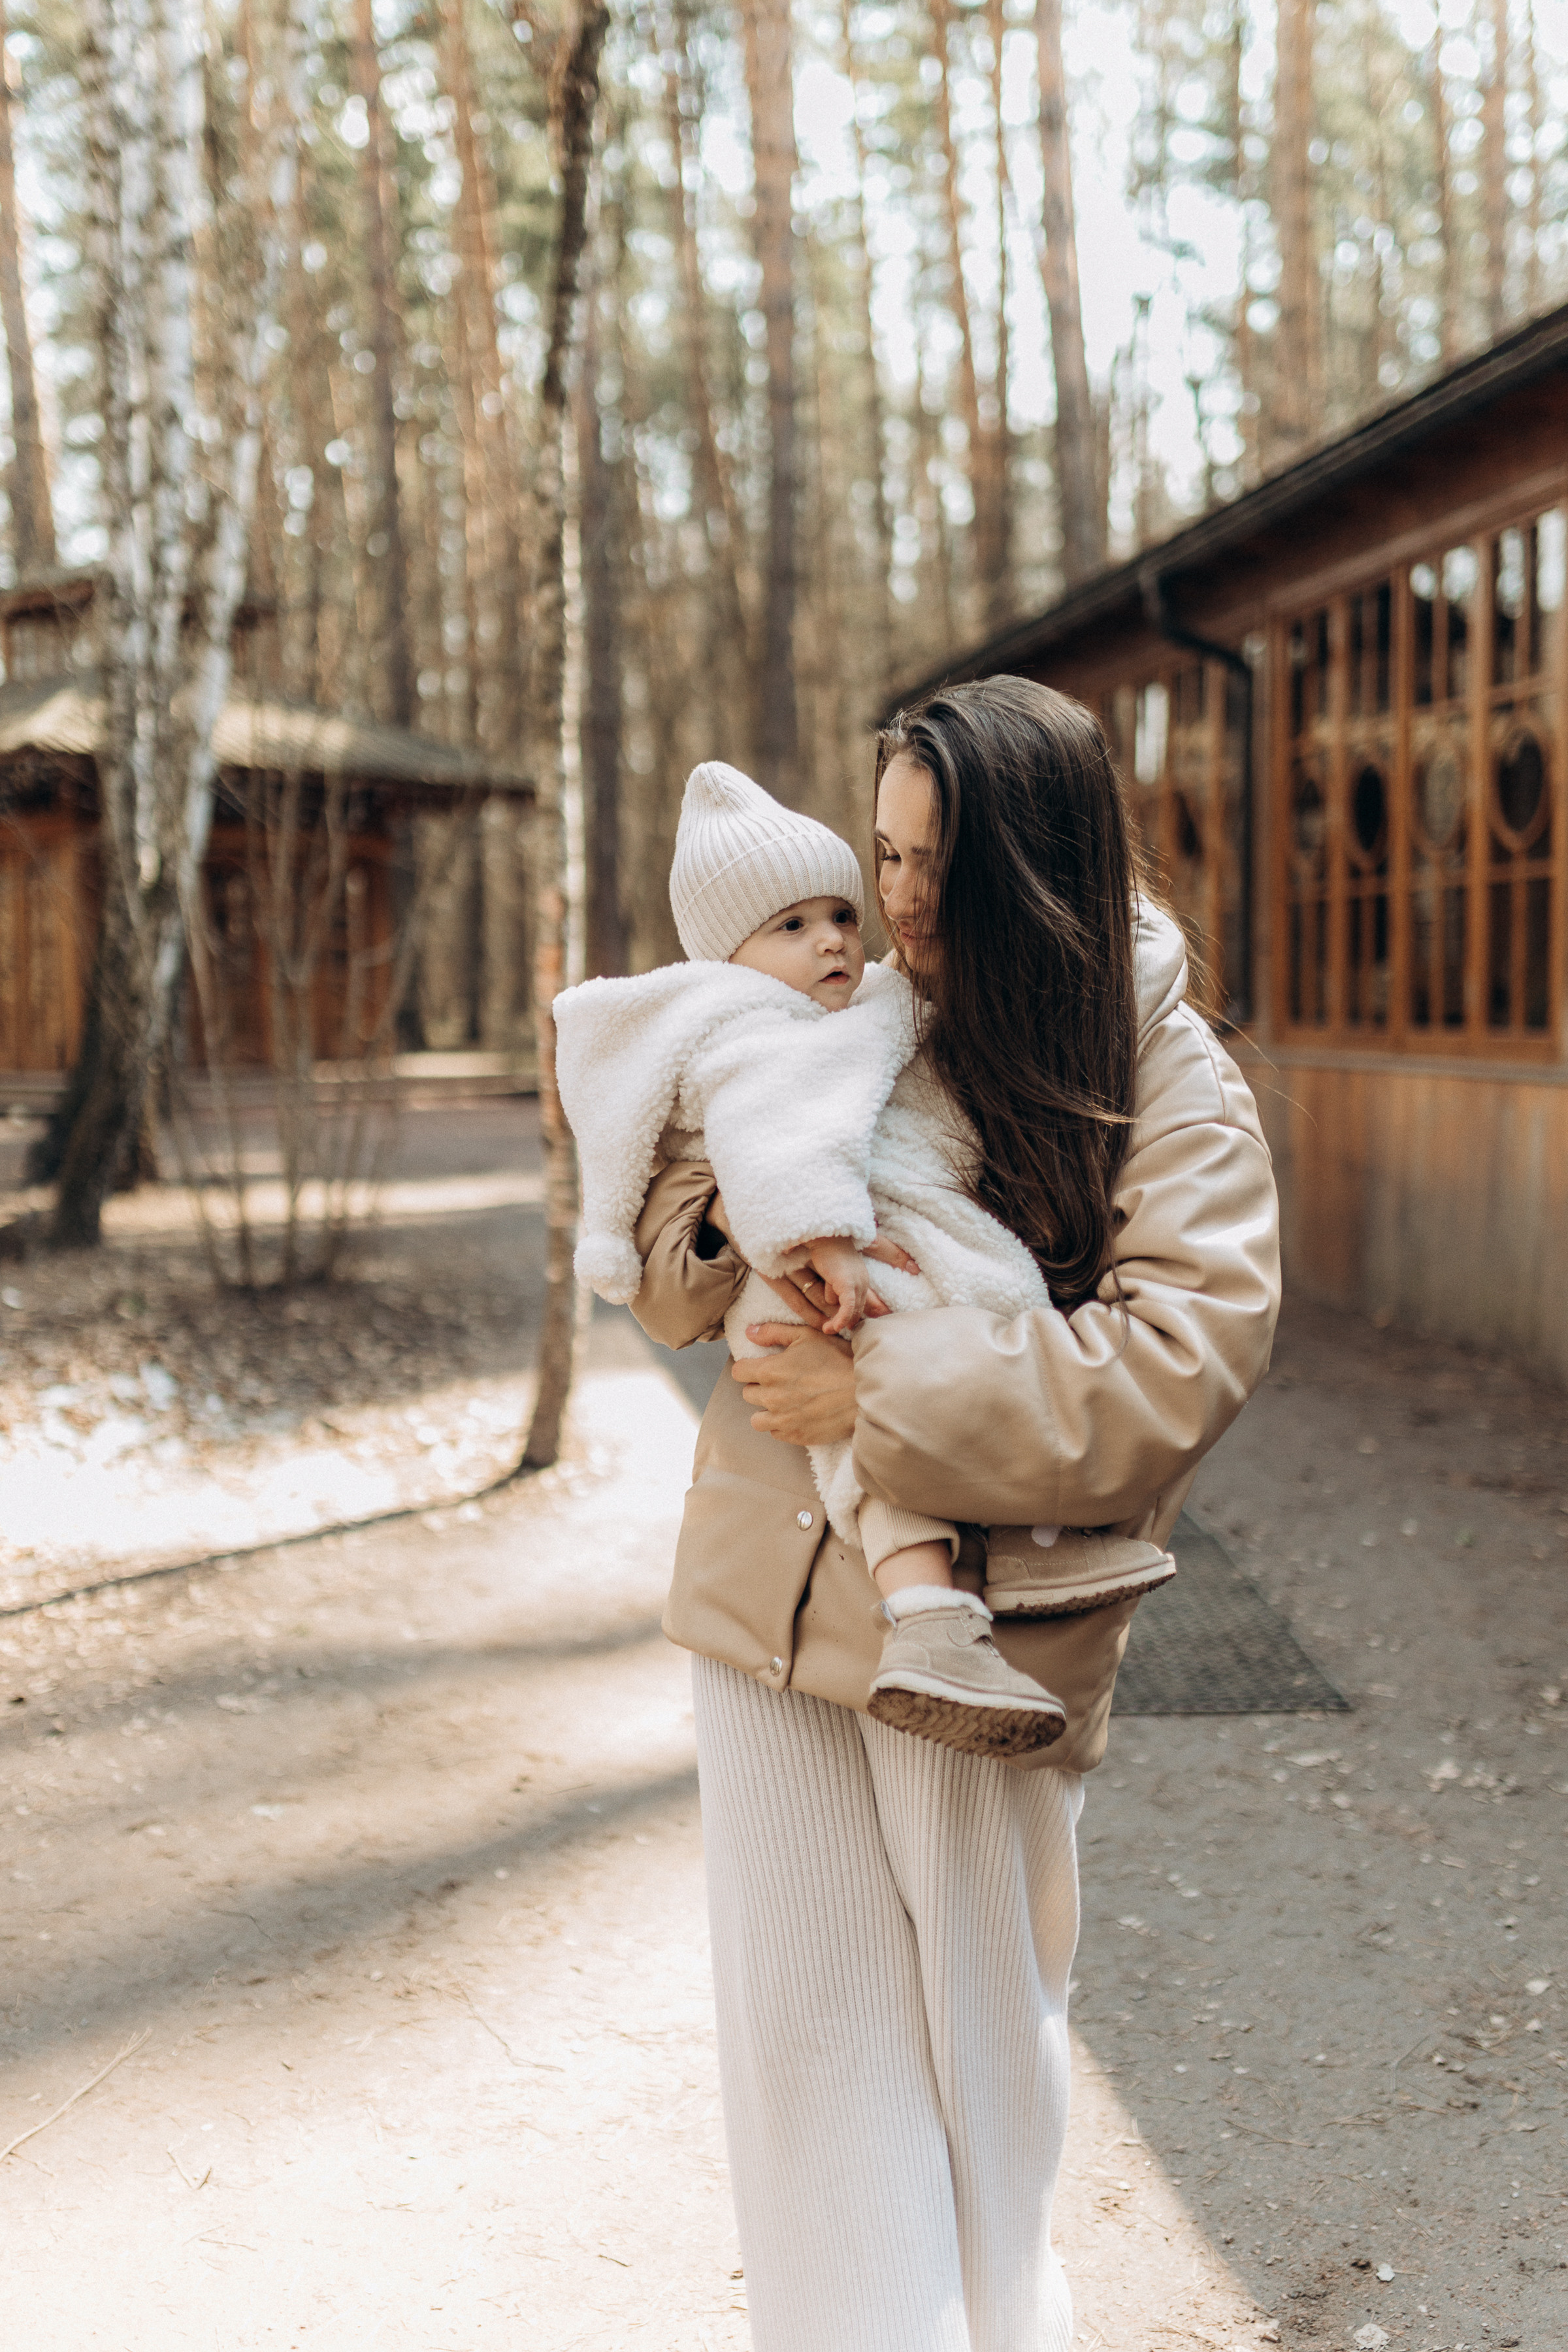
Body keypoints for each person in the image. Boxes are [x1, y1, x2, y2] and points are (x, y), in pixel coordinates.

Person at [630, 676, 1281, 2352]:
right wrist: (720, 1194)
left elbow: (1175, 1363)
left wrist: (885, 1400)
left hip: (983, 1626)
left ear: (1037, 870)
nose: (898, 905)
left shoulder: (1162, 1065)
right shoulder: (846, 1002)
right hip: (766, 1592)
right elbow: (674, 1273)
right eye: (887, 854)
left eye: (936, 868)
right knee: (807, 2050)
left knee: (983, 2058)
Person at [555, 759, 1175, 1757]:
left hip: (892, 1242)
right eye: (791, 927)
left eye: (841, 912)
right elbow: (751, 1172)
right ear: (729, 956)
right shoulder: (741, 1031)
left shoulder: (870, 1012)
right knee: (875, 1391)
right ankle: (931, 1611)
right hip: (809, 1290)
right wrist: (815, 1233)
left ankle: (1021, 1553)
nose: (842, 935)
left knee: (994, 1296)